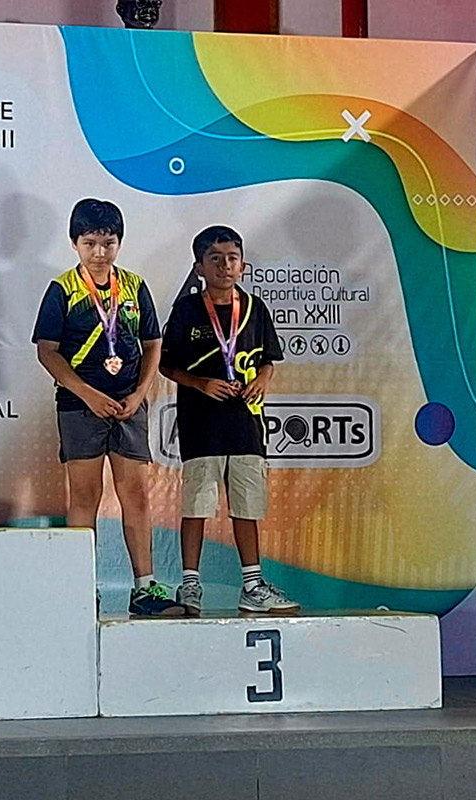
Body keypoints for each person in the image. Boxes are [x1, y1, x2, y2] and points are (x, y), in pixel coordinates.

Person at [33, 199, 183, 616]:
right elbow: (47, 351)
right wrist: (87, 394)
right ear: (74, 243)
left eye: (108, 243)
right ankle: (81, 588)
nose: (99, 252)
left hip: (128, 406)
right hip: (80, 406)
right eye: (90, 243)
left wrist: (139, 394)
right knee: (85, 497)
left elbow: (153, 344)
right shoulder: (63, 289)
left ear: (119, 242)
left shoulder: (133, 286)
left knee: (136, 495)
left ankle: (145, 589)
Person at [159, 225, 299, 615]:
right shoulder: (187, 309)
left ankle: (252, 585)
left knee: (247, 506)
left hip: (245, 423)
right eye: (215, 259)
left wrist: (262, 380)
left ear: (243, 265)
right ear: (199, 267)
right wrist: (200, 383)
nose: (224, 266)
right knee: (197, 506)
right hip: (201, 423)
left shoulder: (255, 308)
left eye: (232, 258)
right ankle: (190, 584)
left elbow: (268, 359)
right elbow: (167, 364)